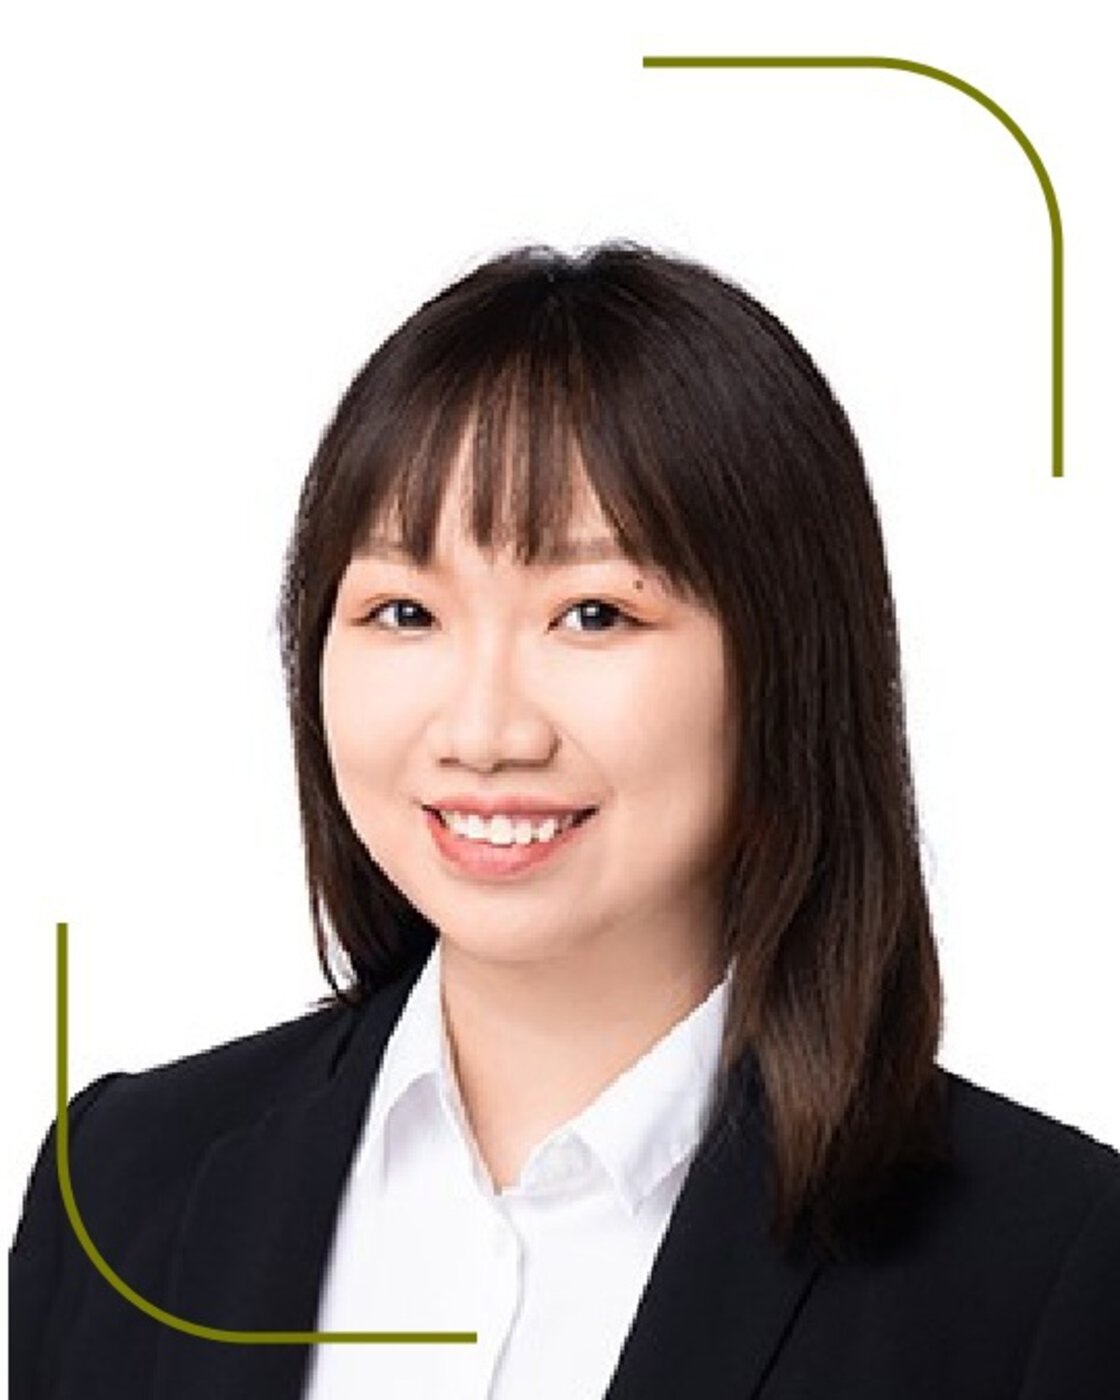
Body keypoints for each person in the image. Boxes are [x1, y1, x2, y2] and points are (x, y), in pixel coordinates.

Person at [10, 243, 1120, 1399]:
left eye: (592, 613)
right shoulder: (121, 1186)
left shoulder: (1043, 1265)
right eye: (404, 611)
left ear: (788, 664)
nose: (484, 729)